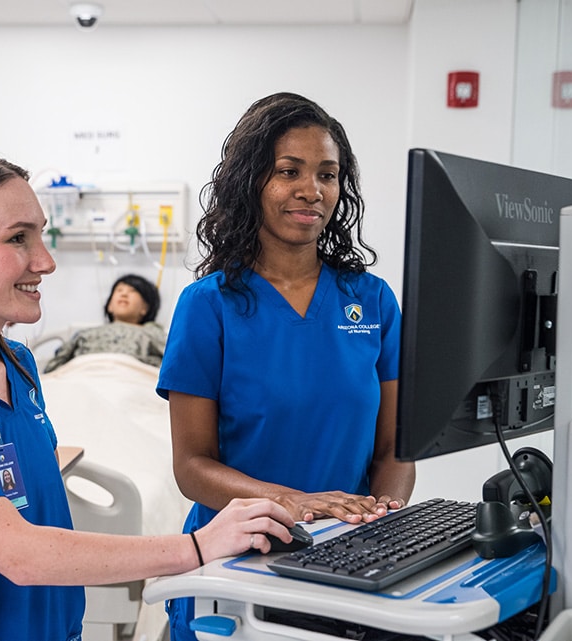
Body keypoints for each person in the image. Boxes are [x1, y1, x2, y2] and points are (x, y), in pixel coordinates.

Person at [0, 150, 297, 641]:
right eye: (18, 238)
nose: (46, 261)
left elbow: (31, 506)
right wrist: (198, 547)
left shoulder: (19, 366)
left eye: (40, 234)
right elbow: (19, 553)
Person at [155, 92, 417, 640]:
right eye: (288, 171)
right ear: (251, 183)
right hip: (236, 557)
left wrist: (382, 519)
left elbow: (394, 448)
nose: (311, 190)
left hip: (347, 558)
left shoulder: (371, 301)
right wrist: (291, 503)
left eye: (327, 174)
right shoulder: (210, 305)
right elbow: (192, 467)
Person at [43, 273, 166, 372]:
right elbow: (54, 368)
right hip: (81, 375)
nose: (124, 294)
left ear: (145, 308)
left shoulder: (150, 333)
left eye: (133, 291)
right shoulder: (85, 335)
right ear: (109, 306)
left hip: (130, 376)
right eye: (119, 290)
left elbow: (173, 364)